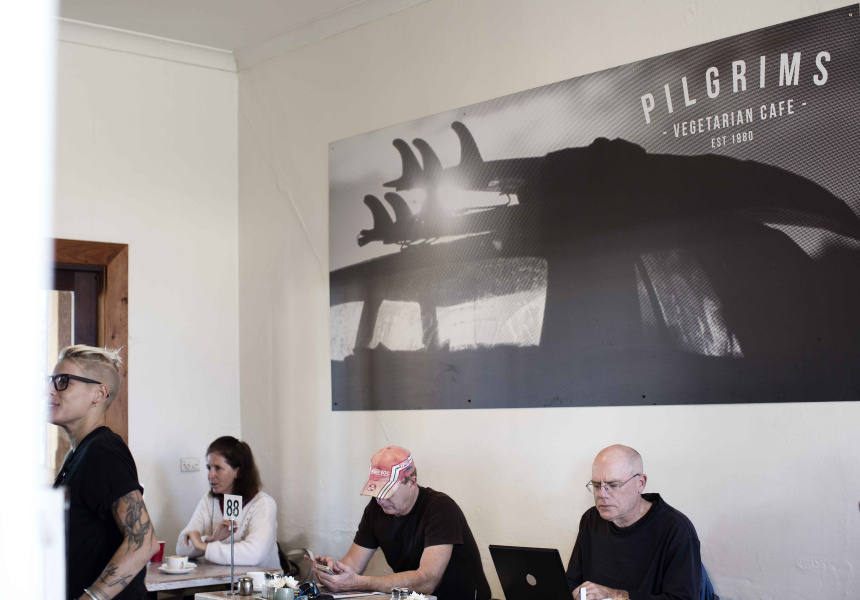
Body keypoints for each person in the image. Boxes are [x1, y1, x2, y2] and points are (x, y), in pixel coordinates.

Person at [49, 345, 160, 600]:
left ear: (98, 393)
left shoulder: (104, 450)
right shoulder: (77, 454)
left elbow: (143, 542)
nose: (50, 390)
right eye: (51, 381)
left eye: (63, 381)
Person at [313, 446, 491, 600]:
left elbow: (428, 580)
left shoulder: (440, 508)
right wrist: (335, 574)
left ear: (412, 482)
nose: (381, 501)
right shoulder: (376, 509)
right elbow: (352, 564)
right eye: (377, 492)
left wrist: (360, 582)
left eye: (388, 492)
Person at [565, 445, 714, 600]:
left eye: (613, 485)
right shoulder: (591, 520)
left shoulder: (676, 529)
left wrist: (615, 595)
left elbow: (682, 598)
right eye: (597, 486)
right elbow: (572, 582)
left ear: (640, 483)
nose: (602, 495)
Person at [177, 436, 279, 566]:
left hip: (261, 579)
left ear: (237, 471)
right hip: (220, 578)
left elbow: (254, 554)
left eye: (218, 468)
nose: (210, 475)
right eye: (209, 468)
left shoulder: (263, 503)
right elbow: (181, 548)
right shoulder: (209, 500)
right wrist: (212, 539)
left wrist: (204, 546)